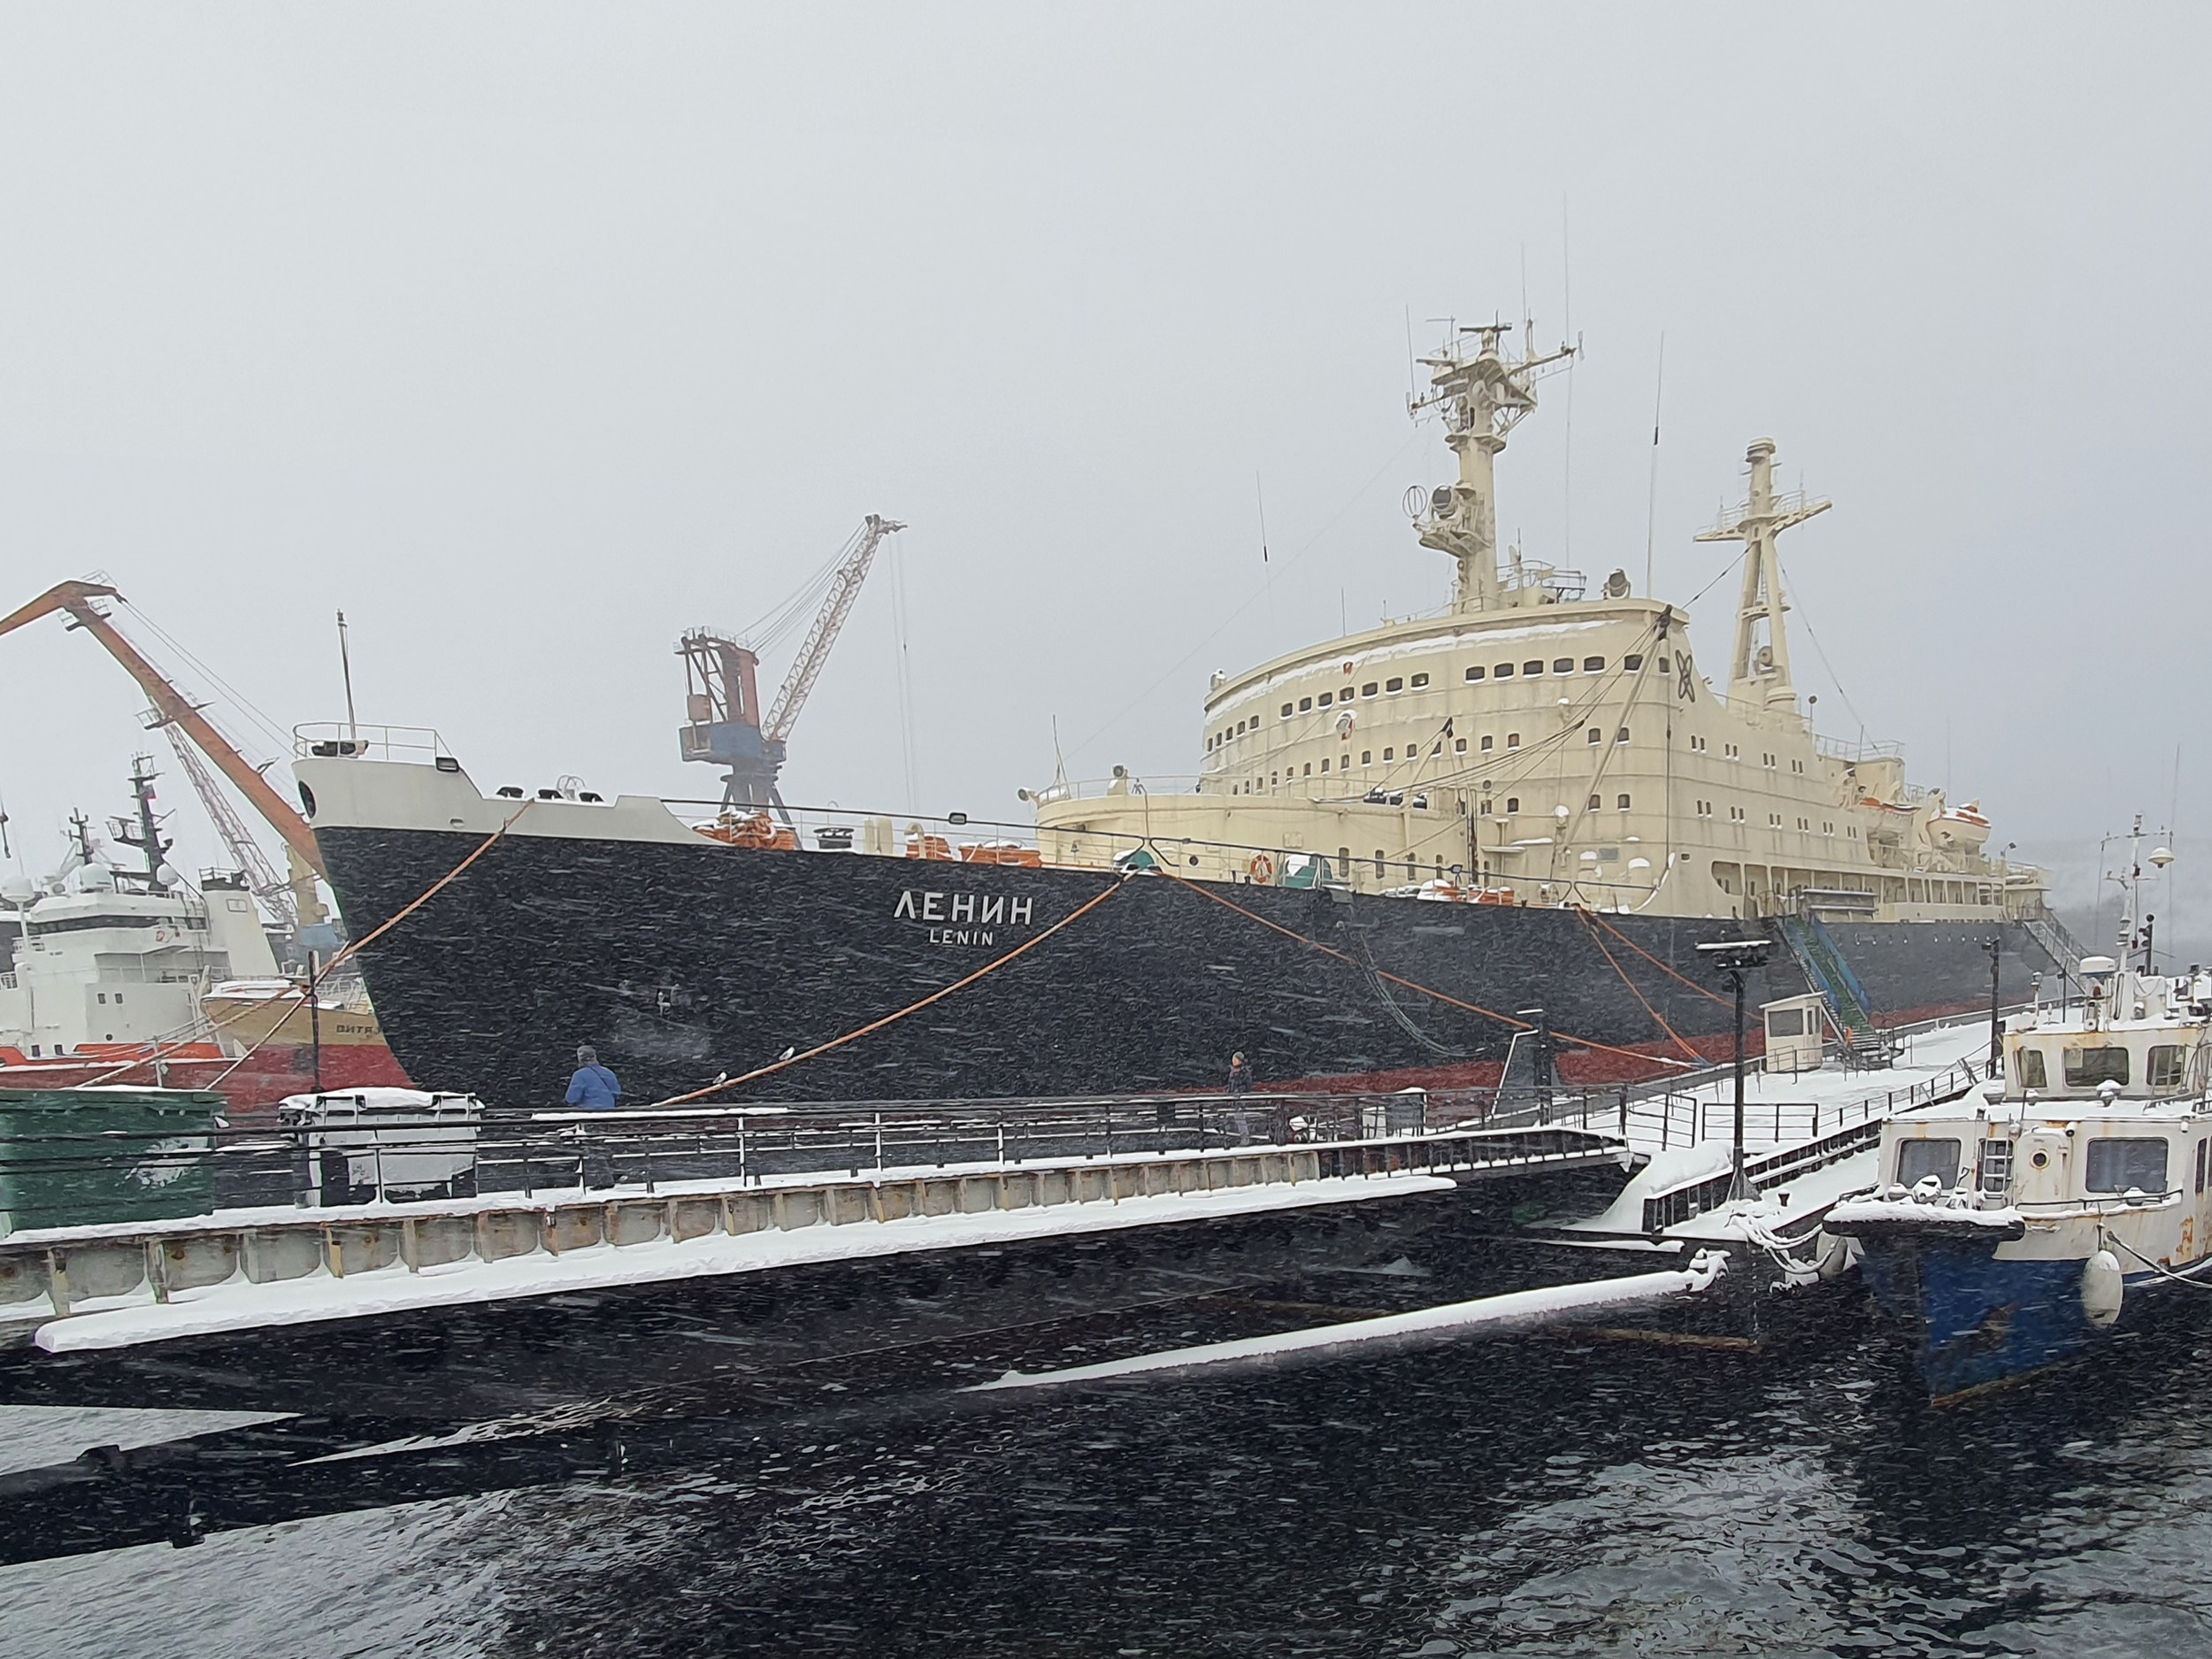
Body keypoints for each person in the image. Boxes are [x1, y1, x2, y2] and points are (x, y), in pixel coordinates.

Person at [565, 1044, 622, 1111]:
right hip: (608, 1112)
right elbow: (616, 1092)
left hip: (588, 1113)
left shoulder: (579, 1075)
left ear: (580, 1060)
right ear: (595, 1056)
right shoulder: (608, 1072)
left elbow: (572, 1098)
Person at [1227, 1050, 1252, 1141]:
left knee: (1239, 1116)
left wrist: (1240, 1091)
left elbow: (1247, 1086)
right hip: (1233, 1099)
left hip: (1241, 1099)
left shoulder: (1245, 1072)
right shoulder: (1232, 1072)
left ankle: (1244, 1135)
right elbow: (1231, 1086)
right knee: (1235, 1116)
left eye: (1236, 1059)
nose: (1234, 1061)